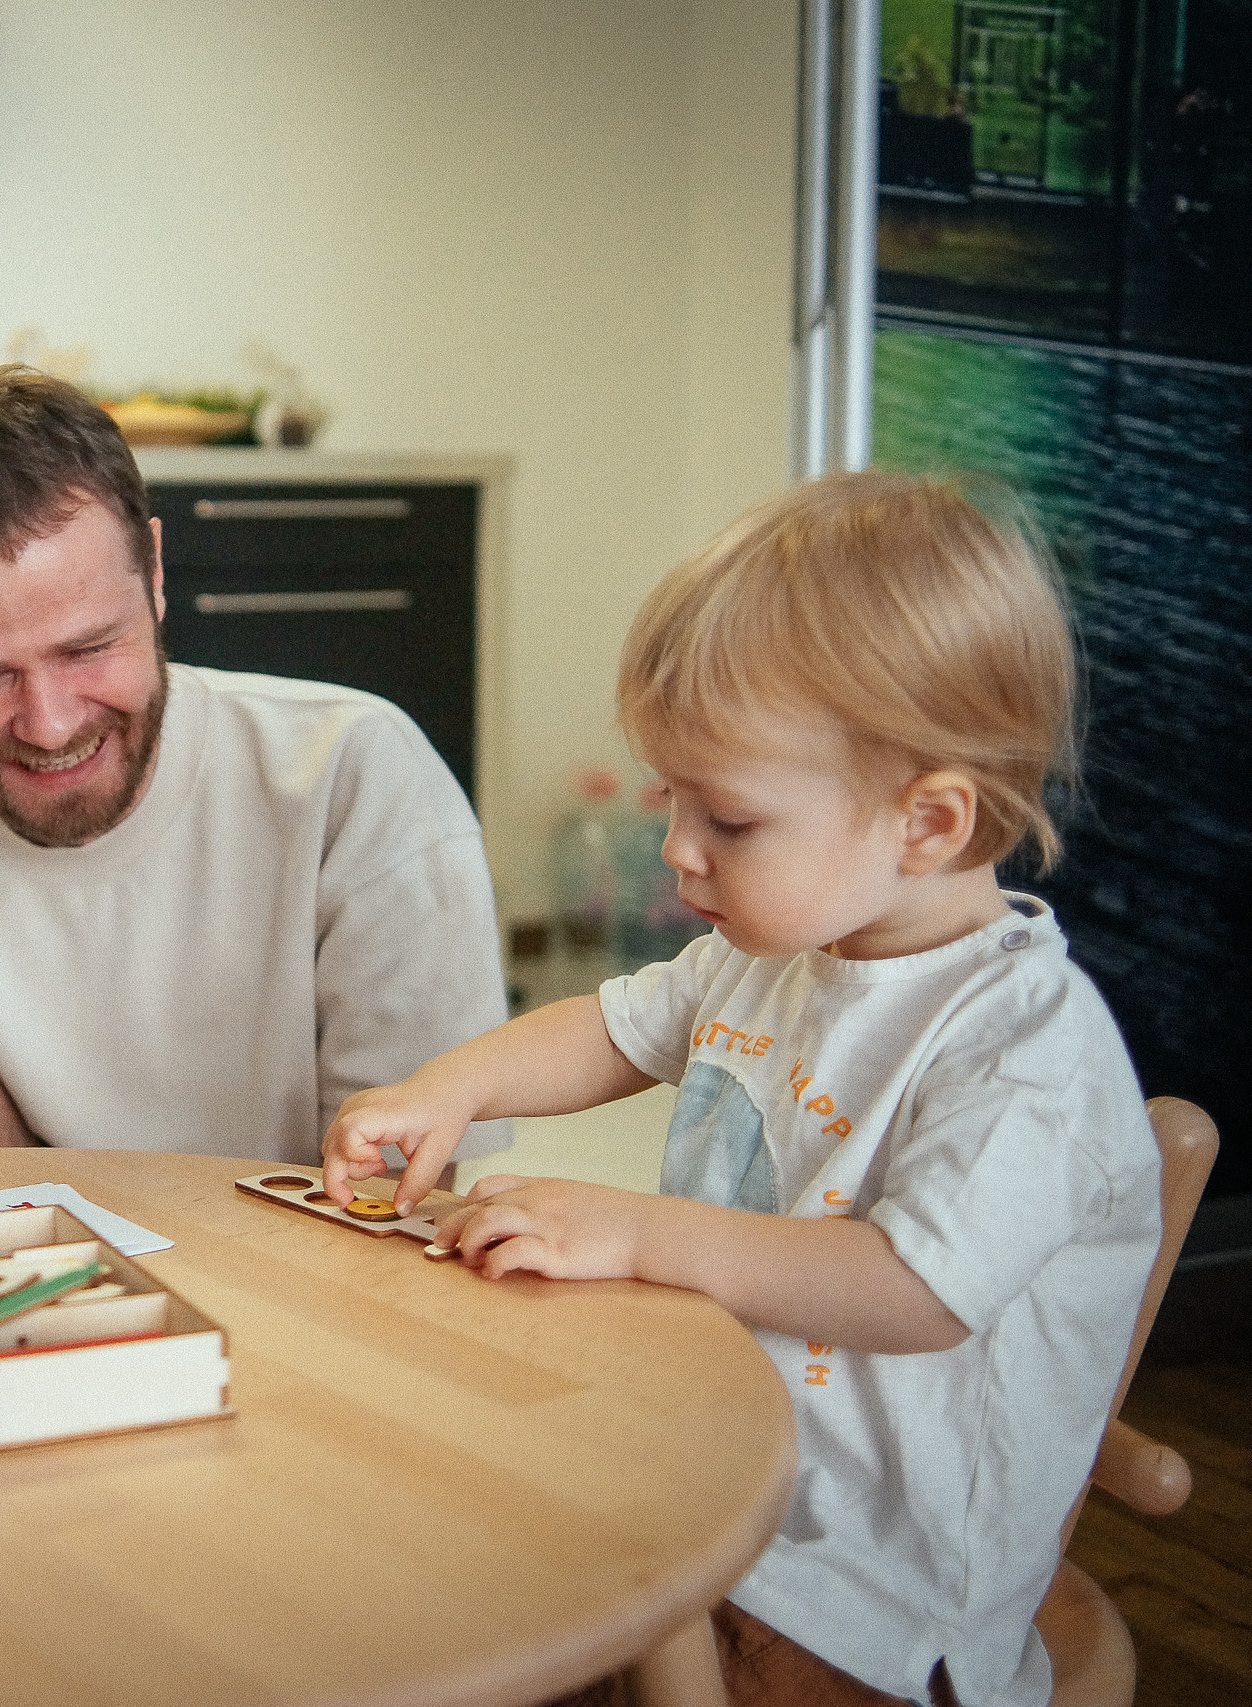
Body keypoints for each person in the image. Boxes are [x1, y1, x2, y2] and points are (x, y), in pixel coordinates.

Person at [321, 472, 1160, 1706]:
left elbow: (918, 1289)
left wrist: (637, 1234)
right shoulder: (774, 955)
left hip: (865, 1588)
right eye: (671, 799)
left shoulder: (1024, 1049)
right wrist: (449, 1087)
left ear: (928, 824)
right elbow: (610, 1030)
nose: (675, 849)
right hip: (711, 1471)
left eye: (728, 818)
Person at [0, 365, 509, 1168]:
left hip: (293, 1243)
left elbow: (399, 1197)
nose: (51, 725)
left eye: (89, 648)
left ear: (153, 574)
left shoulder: (352, 778)